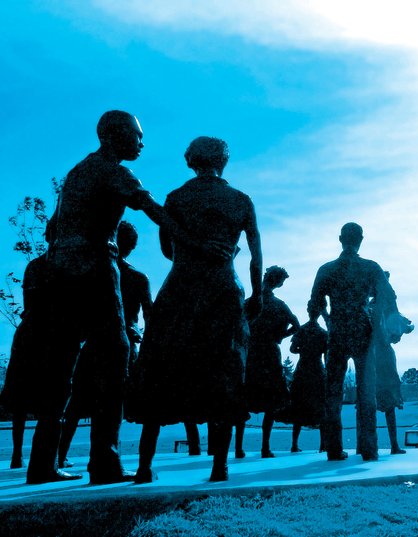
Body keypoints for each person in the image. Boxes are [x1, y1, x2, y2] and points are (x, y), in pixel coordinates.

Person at [27, 110, 220, 485]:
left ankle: (41, 464)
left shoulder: (77, 173)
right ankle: (105, 462)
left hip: (60, 271)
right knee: (115, 361)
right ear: (115, 136)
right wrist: (197, 242)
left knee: (61, 366)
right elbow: (152, 211)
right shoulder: (114, 171)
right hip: (94, 268)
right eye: (137, 135)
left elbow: (53, 227)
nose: (142, 142)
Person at [129, 136, 262, 483]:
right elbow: (255, 255)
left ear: (190, 161)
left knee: (163, 368)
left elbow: (167, 250)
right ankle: (220, 466)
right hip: (222, 289)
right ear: (224, 161)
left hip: (180, 288)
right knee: (224, 371)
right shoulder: (241, 200)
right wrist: (258, 294)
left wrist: (192, 255)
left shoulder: (175, 198)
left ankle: (144, 467)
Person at [57, 221, 152, 468]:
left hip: (97, 343)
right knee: (111, 404)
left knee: (78, 404)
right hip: (120, 345)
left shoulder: (95, 274)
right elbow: (150, 317)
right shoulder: (137, 277)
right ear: (131, 246)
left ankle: (61, 456)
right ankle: (107, 459)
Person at [308, 222, 399, 462]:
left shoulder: (327, 269)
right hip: (362, 331)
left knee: (334, 393)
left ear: (340, 239)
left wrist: (328, 320)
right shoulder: (370, 267)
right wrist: (374, 314)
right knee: (366, 390)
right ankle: (369, 449)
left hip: (338, 331)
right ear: (361, 240)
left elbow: (314, 305)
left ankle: (334, 449)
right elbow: (388, 296)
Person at [236, 266, 299, 458]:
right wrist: (280, 336)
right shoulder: (279, 305)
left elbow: (237, 326)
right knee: (270, 402)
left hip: (251, 353)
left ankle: (239, 448)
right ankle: (265, 447)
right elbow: (296, 325)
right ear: (277, 282)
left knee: (243, 399)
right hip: (269, 353)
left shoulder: (250, 303)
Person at [0, 254, 50, 469]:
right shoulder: (47, 264)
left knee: (26, 401)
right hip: (42, 334)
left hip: (31, 333)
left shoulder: (36, 265)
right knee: (46, 399)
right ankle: (25, 455)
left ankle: (20, 454)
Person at [368, 272, 414, 455]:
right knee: (388, 402)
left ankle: (369, 445)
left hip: (371, 355)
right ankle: (393, 445)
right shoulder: (387, 308)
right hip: (383, 356)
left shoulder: (371, 307)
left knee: (371, 401)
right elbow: (404, 329)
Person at [287, 307, 328, 453]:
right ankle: (323, 445)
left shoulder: (301, 330)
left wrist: (303, 350)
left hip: (303, 369)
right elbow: (326, 355)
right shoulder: (323, 333)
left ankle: (294, 444)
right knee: (320, 405)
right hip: (317, 370)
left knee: (299, 405)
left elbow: (292, 349)